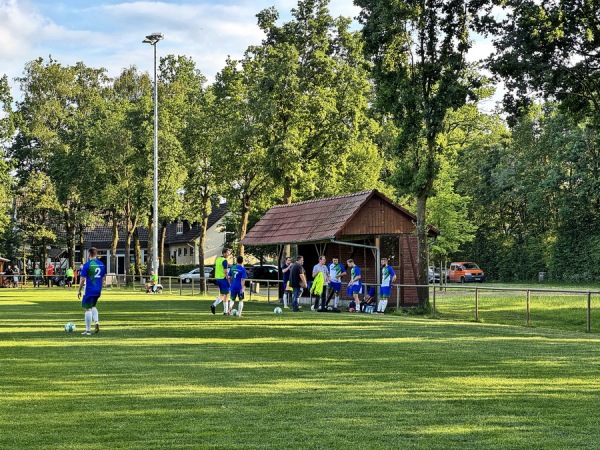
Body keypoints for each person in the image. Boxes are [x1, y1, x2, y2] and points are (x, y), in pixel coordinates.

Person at [78, 247, 106, 335]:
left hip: (89, 289)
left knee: (88, 309)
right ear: (96, 254)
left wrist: (79, 290)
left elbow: (82, 279)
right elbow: (103, 279)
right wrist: (100, 288)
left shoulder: (87, 265)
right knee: (93, 306)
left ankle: (88, 331)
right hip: (98, 289)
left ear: (89, 255)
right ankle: (96, 322)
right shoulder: (101, 264)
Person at [211, 248, 231, 315]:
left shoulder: (218, 259)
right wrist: (228, 279)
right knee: (226, 295)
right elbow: (225, 271)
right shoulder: (224, 261)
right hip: (223, 279)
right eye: (227, 253)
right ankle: (224, 311)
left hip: (218, 279)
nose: (228, 254)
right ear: (224, 253)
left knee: (223, 294)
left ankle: (215, 306)